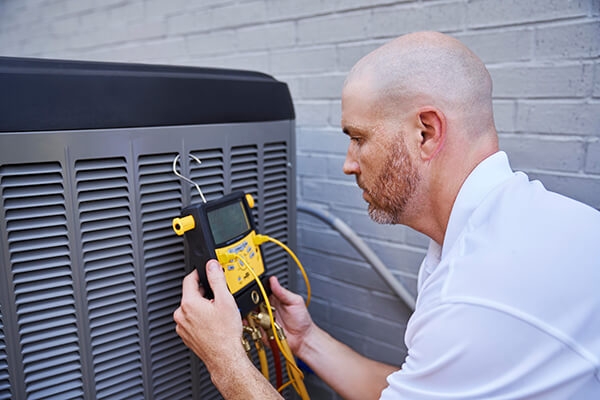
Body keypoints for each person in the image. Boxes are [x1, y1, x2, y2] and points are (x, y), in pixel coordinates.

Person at [173, 31, 600, 399]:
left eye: (358, 138)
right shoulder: (517, 227)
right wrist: (306, 340)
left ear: (426, 133)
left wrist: (225, 360)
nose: (348, 163)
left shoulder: (478, 294)